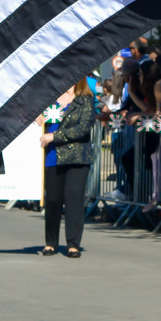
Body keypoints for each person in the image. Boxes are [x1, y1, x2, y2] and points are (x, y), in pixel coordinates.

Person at [37, 83, 96, 257]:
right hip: (53, 156)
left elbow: (83, 128)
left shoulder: (85, 100)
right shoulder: (49, 99)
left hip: (77, 158)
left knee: (73, 198)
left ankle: (73, 244)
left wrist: (54, 136)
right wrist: (37, 118)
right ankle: (51, 242)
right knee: (53, 200)